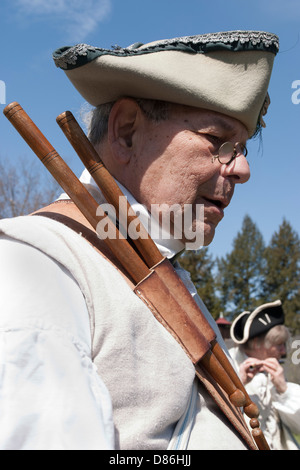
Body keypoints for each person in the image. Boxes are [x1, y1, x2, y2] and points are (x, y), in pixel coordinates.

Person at [0, 31, 279, 450]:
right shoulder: (38, 264)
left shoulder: (159, 268)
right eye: (219, 141)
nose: (242, 169)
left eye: (241, 148)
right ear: (127, 131)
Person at [229, 300, 300, 450]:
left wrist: (284, 390)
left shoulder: (274, 372)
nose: (283, 351)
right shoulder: (227, 365)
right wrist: (236, 385)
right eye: (279, 344)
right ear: (256, 343)